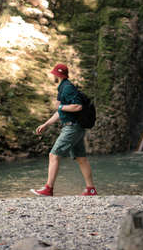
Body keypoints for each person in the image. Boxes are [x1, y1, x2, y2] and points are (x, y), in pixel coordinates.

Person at [30, 63, 97, 196]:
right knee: (81, 158)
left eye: (53, 74)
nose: (52, 76)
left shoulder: (67, 88)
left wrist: (60, 107)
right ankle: (91, 189)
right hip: (76, 127)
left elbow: (77, 106)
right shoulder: (63, 88)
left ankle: (48, 188)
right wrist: (46, 124)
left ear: (57, 75)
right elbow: (60, 112)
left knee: (53, 155)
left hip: (72, 128)